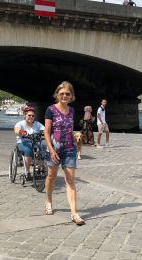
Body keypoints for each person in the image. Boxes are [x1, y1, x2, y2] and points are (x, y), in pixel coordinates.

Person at [44, 81, 85, 226]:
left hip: (69, 149)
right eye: (62, 93)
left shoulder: (72, 110)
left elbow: (70, 128)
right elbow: (47, 131)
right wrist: (51, 149)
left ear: (71, 96)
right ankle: (48, 200)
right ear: (57, 95)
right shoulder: (51, 109)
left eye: (68, 93)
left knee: (71, 179)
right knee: (51, 176)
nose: (65, 96)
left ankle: (74, 213)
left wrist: (76, 142)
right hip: (54, 149)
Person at [14, 106, 45, 181]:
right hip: (23, 142)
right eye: (29, 115)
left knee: (42, 147)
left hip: (35, 142)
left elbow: (44, 130)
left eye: (33, 116)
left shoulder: (37, 124)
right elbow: (16, 130)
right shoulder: (20, 123)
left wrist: (44, 133)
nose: (31, 117)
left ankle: (39, 167)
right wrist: (24, 132)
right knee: (28, 150)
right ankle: (27, 172)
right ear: (25, 115)